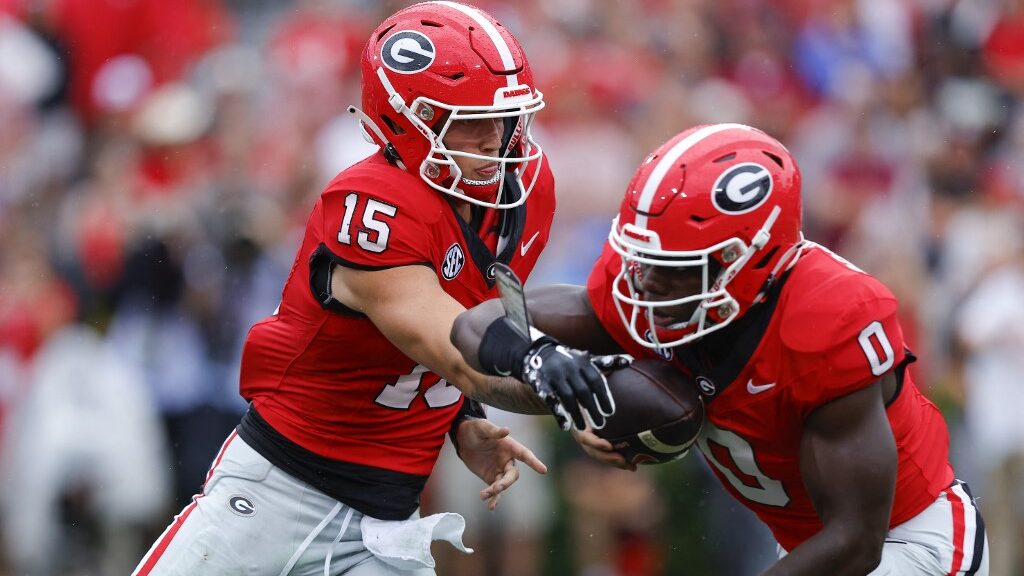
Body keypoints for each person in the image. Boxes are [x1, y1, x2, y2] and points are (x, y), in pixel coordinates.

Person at [132, 3, 612, 575]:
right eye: (470, 119)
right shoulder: (369, 205)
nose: (495, 140)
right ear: (409, 121)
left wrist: (462, 417)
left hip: (387, 527)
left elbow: (466, 323)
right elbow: (448, 338)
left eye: (505, 118)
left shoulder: (523, 194)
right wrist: (555, 370)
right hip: (275, 499)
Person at [452, 123, 990, 575]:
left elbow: (857, 539)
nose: (644, 287)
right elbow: (477, 323)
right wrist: (539, 358)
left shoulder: (827, 322)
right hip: (808, 544)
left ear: (748, 262)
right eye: (645, 261)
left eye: (675, 270)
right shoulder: (647, 289)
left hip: (909, 541)